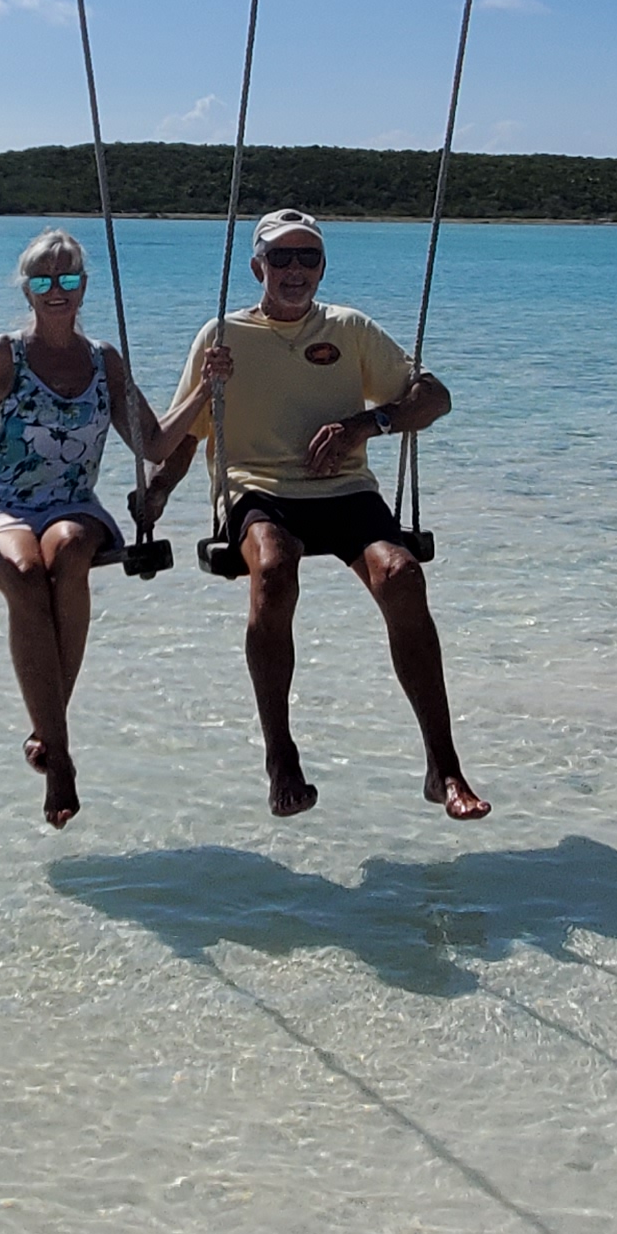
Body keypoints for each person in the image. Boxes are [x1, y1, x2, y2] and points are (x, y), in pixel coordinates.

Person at [153, 209, 487, 822]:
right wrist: (156, 495)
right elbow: (190, 431)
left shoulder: (349, 328)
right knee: (274, 567)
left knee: (402, 575)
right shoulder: (222, 336)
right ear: (257, 266)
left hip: (345, 489)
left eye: (307, 257)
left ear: (323, 267)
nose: (294, 269)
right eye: (280, 257)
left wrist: (366, 423)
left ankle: (443, 767)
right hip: (257, 490)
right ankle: (281, 757)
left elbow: (433, 398)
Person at [0, 228, 183, 828]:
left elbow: (154, 442)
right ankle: (60, 754)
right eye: (43, 279)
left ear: (83, 286)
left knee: (72, 551)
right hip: (2, 505)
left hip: (73, 504)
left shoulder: (103, 361)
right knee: (25, 572)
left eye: (68, 278)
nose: (56, 289)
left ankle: (50, 741)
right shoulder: (4, 355)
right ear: (27, 289)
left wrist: (210, 391)